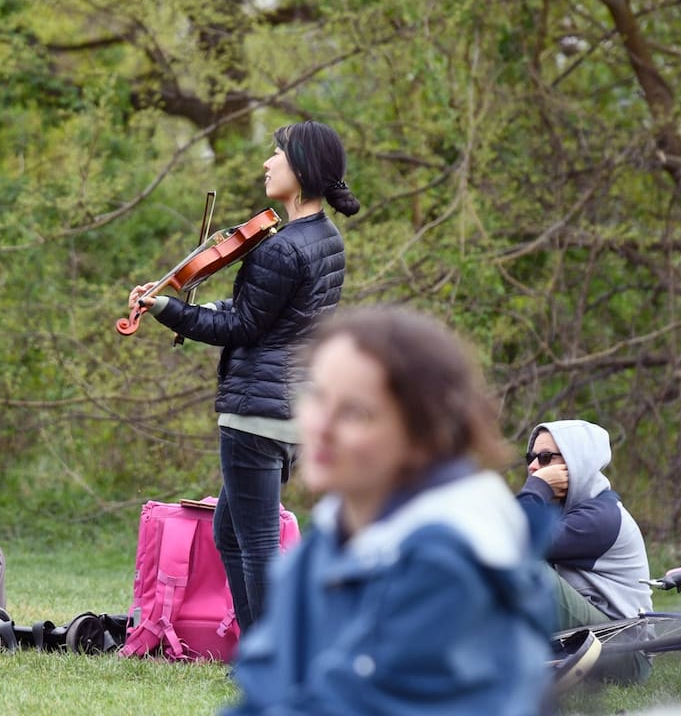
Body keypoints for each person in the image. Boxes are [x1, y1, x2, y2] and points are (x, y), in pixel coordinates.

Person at [223, 306, 554, 715]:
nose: (321, 426)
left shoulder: (446, 564)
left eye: (355, 413)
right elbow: (263, 687)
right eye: (317, 397)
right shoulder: (328, 539)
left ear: (423, 433)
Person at [128, 121, 360, 634]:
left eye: (277, 153)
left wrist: (168, 308)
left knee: (255, 541)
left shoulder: (279, 248)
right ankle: (260, 646)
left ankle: (273, 657)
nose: (267, 162)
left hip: (256, 413)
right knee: (230, 534)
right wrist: (195, 303)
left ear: (300, 172)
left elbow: (243, 325)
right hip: (293, 408)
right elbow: (268, 314)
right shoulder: (328, 240)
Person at [517, 419, 653, 682]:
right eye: (531, 457)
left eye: (545, 458)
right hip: (592, 641)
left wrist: (538, 487)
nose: (533, 466)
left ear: (576, 463)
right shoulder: (563, 510)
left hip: (625, 653)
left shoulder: (600, 518)